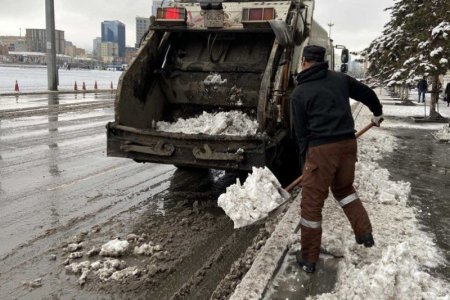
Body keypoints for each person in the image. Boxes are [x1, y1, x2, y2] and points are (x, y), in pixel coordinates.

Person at [291, 45, 383, 274]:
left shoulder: (300, 93)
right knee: (344, 190)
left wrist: (306, 161)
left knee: (312, 204)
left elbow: (301, 134)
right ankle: (365, 234)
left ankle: (308, 258)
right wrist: (377, 111)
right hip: (348, 146)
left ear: (304, 61)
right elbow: (367, 93)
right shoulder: (340, 79)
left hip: (322, 151)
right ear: (322, 60)